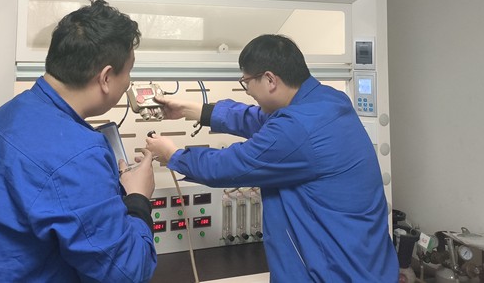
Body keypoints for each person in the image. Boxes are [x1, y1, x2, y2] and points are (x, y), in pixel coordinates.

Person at [146, 34, 398, 282]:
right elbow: (262, 119)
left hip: (335, 273)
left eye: (246, 82)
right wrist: (193, 110)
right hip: (368, 265)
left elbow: (228, 166)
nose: (248, 91)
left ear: (269, 79)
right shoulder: (327, 101)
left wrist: (173, 155)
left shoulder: (297, 129)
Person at [0, 0, 157, 282]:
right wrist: (137, 198)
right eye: (129, 72)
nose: (129, 83)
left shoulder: (7, 115)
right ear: (106, 77)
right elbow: (128, 272)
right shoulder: (78, 154)